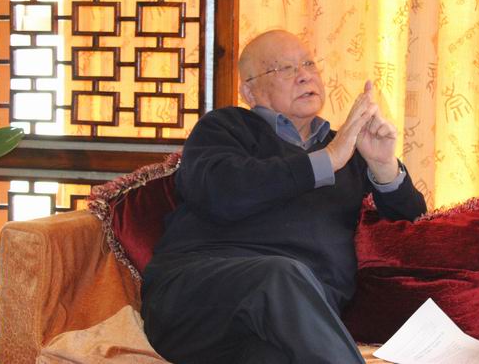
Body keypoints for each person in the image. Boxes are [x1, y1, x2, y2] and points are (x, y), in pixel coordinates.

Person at [141, 30, 427, 364]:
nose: (304, 75)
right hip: (198, 298)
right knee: (281, 275)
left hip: (290, 323)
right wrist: (326, 161)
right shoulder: (225, 127)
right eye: (285, 68)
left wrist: (383, 165)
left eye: (309, 64)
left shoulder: (351, 149)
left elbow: (414, 225)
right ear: (250, 91)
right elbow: (220, 193)